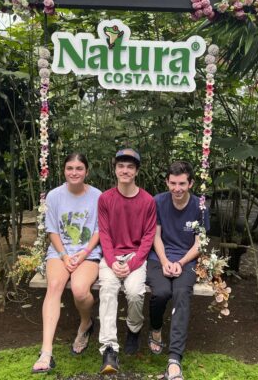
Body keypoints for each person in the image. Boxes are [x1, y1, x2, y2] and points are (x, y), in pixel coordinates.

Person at [32, 153, 102, 374]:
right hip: (60, 252)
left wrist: (83, 254)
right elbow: (52, 230)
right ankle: (46, 352)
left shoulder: (97, 196)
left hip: (88, 252)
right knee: (54, 287)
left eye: (79, 168)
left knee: (81, 291)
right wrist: (63, 255)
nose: (74, 172)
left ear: (86, 172)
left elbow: (100, 230)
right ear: (64, 171)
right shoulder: (54, 196)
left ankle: (85, 323)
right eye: (70, 168)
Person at [146, 161, 210, 380]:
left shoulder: (200, 206)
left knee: (181, 293)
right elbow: (156, 236)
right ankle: (155, 328)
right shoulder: (158, 202)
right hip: (158, 257)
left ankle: (174, 359)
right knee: (162, 292)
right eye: (173, 183)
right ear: (167, 182)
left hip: (187, 260)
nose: (177, 188)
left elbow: (199, 244)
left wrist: (181, 263)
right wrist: (165, 261)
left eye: (182, 183)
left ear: (190, 183)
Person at [97, 148, 156, 375]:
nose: (125, 170)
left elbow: (148, 237)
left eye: (130, 167)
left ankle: (133, 329)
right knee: (109, 290)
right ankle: (109, 349)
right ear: (115, 169)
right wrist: (112, 262)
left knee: (134, 292)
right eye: (121, 166)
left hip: (135, 258)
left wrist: (131, 265)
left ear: (136, 171)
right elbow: (104, 234)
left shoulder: (147, 201)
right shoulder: (105, 199)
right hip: (111, 256)